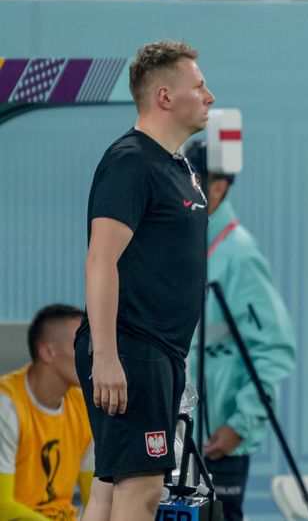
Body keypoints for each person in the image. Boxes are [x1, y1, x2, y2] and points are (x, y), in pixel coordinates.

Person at [77, 40, 215, 521]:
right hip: (132, 349)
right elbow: (101, 260)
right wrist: (107, 356)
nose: (209, 96)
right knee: (140, 488)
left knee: (111, 484)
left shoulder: (177, 167)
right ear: (164, 97)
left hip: (159, 353)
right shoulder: (131, 162)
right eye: (199, 87)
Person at [183, 139, 297, 521]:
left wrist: (239, 425)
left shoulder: (239, 255)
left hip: (218, 441)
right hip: (180, 436)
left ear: (217, 187)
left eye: (190, 179)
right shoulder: (187, 245)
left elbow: (273, 351)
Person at [0, 304, 93, 521]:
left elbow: (94, 497)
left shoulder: (84, 407)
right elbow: (2, 507)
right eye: (81, 346)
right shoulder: (7, 406)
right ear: (47, 352)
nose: (91, 356)